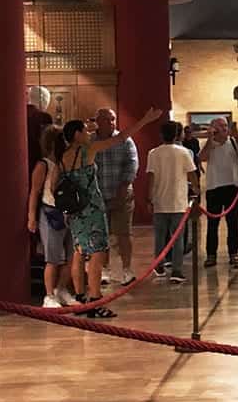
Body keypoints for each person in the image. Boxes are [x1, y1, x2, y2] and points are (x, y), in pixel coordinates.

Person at [60, 107, 162, 317]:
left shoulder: (63, 158)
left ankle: (80, 298)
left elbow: (55, 185)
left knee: (79, 253)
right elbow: (123, 137)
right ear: (77, 135)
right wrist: (144, 119)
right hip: (93, 209)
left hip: (75, 211)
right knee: (97, 255)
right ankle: (95, 301)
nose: (89, 133)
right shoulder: (88, 151)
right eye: (85, 131)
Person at [26, 125, 79, 308]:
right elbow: (35, 191)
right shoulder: (44, 164)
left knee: (71, 255)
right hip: (50, 213)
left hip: (69, 213)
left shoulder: (68, 161)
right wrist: (31, 216)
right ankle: (48, 295)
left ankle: (61, 288)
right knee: (52, 257)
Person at [147, 120, 199, 283]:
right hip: (178, 201)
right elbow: (191, 174)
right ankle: (177, 270)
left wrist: (149, 198)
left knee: (160, 236)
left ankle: (159, 265)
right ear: (177, 135)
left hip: (160, 201)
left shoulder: (153, 153)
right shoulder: (183, 152)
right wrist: (197, 190)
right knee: (177, 238)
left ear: (161, 135)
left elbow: (151, 177)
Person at [93, 108, 139, 285]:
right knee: (101, 235)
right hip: (98, 196)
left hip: (121, 195)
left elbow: (132, 164)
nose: (111, 123)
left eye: (113, 119)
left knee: (123, 233)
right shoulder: (90, 141)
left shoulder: (125, 140)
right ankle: (104, 269)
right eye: (107, 120)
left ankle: (127, 269)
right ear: (98, 121)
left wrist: (124, 185)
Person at [200, 117, 238, 267]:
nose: (224, 128)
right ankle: (211, 255)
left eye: (225, 125)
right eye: (220, 126)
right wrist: (209, 140)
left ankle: (234, 253)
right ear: (213, 128)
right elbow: (202, 157)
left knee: (233, 223)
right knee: (212, 223)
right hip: (214, 187)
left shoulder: (233, 142)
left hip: (232, 187)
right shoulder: (209, 144)